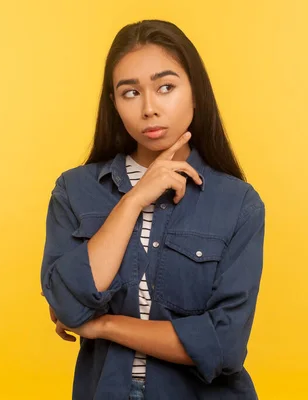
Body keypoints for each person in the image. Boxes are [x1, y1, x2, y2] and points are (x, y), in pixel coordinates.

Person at [40, 19, 266, 400]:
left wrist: (106, 326)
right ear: (114, 103)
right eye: (130, 93)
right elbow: (67, 305)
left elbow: (224, 345)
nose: (149, 108)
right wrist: (133, 200)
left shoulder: (238, 203)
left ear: (196, 93)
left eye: (166, 87)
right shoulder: (75, 191)